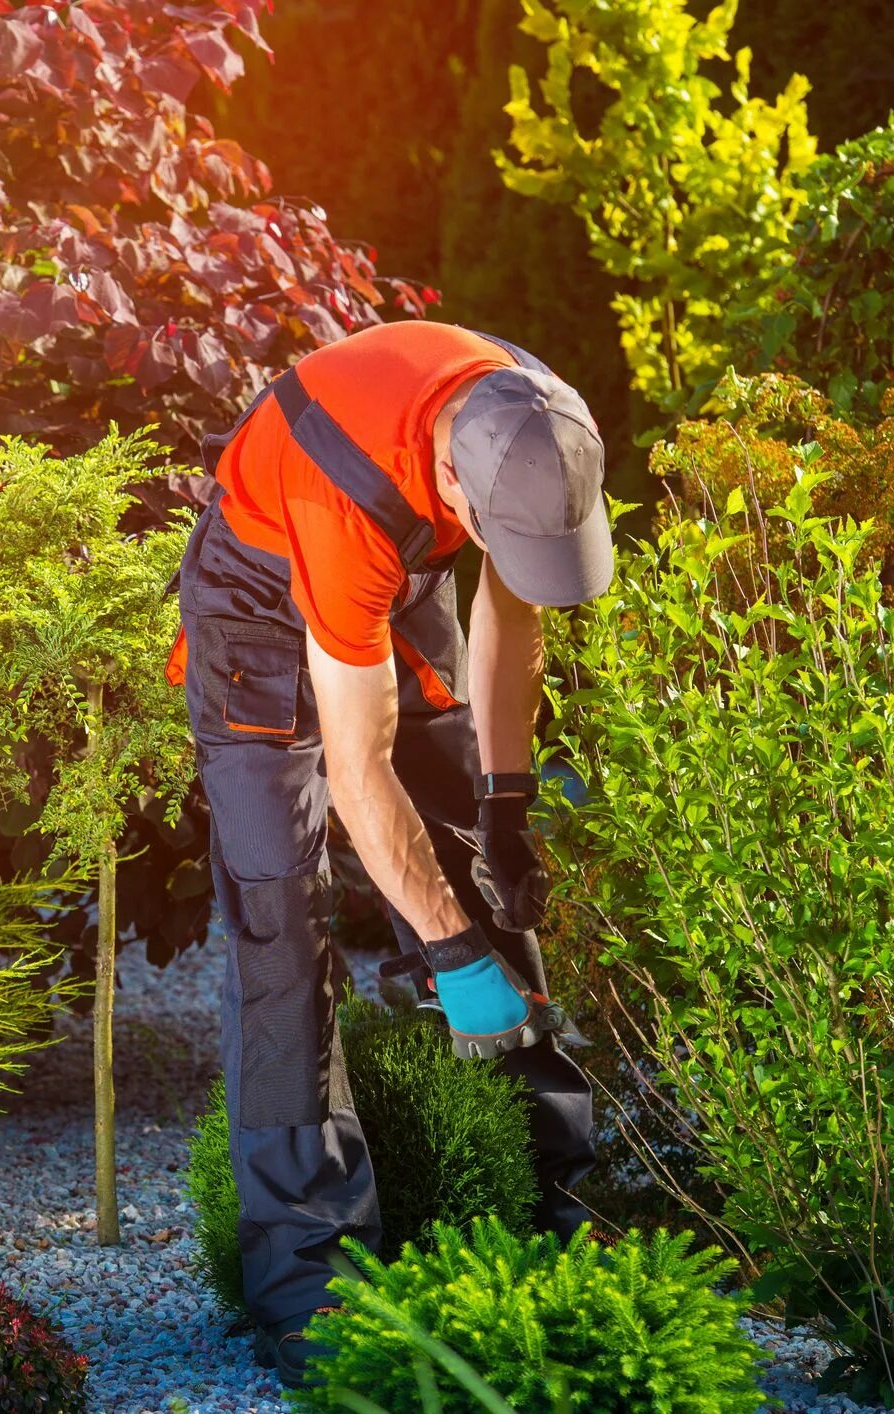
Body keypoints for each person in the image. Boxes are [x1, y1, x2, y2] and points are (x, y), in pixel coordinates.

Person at [164, 319, 611, 1388]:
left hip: (395, 589)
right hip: (260, 608)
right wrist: (450, 961)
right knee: (283, 918)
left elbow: (513, 629)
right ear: (451, 489)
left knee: (469, 860)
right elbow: (357, 770)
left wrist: (503, 807)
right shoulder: (345, 491)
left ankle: (548, 1198)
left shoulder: (540, 427)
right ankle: (310, 1277)